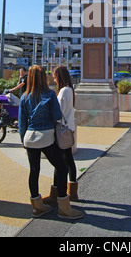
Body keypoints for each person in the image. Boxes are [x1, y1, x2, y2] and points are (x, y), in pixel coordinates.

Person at [18, 65, 84, 220]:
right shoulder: (49, 94)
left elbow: (21, 123)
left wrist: (23, 140)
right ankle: (64, 207)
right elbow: (56, 115)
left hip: (29, 137)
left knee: (34, 171)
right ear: (43, 77)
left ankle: (37, 206)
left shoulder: (24, 97)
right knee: (62, 168)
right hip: (46, 136)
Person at [52, 65, 79, 201]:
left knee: (60, 162)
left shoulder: (63, 92)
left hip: (62, 130)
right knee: (68, 160)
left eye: (55, 77)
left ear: (59, 76)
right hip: (69, 129)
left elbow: (59, 113)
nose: (54, 79)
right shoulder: (70, 90)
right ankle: (73, 191)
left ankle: (56, 191)